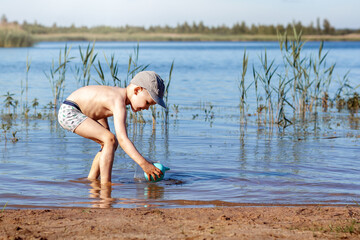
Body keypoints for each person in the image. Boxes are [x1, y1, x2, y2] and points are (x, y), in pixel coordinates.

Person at [58, 71, 166, 185]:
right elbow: (123, 139)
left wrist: (106, 137)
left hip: (78, 110)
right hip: (70, 111)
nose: (147, 108)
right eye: (148, 102)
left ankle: (92, 179)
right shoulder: (118, 100)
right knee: (110, 139)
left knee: (109, 143)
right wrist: (144, 164)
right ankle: (106, 184)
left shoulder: (117, 94)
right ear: (137, 90)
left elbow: (98, 108)